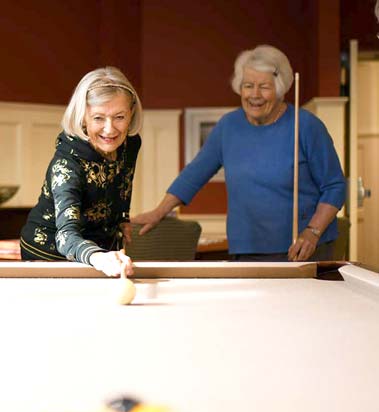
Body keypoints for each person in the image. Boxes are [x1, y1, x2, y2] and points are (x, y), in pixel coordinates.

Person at [132, 45, 346, 262]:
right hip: (247, 248)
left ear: (281, 89)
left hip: (302, 248)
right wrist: (159, 212)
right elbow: (193, 176)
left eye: (264, 87)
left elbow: (335, 186)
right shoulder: (228, 126)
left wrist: (313, 231)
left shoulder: (307, 126)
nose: (255, 95)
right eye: (248, 85)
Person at [20, 66, 143, 276]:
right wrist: (99, 258)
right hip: (49, 256)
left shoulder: (130, 144)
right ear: (82, 117)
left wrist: (123, 217)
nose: (110, 128)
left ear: (131, 113)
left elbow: (123, 182)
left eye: (119, 117)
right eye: (98, 118)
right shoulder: (67, 165)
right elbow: (65, 235)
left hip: (101, 253)